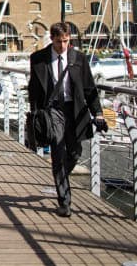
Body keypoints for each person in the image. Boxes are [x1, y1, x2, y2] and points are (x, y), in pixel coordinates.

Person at [28, 22, 108, 217]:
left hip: (75, 109)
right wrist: (35, 114)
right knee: (58, 148)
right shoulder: (38, 59)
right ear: (52, 39)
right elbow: (34, 89)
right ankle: (64, 201)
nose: (62, 46)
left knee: (74, 152)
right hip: (52, 110)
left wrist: (97, 112)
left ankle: (62, 173)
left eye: (65, 41)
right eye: (58, 42)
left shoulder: (78, 58)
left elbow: (89, 88)